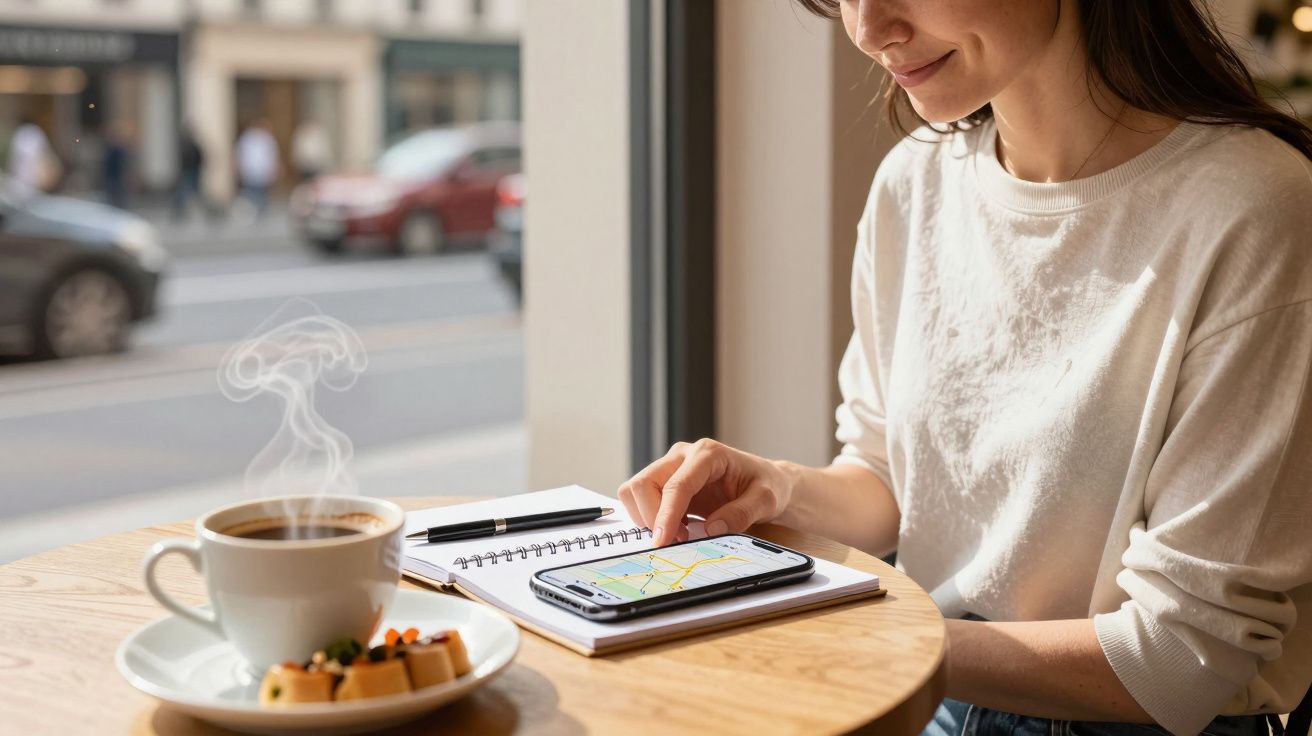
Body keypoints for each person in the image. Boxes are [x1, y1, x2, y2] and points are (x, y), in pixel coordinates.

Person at [618, 2, 1312, 735]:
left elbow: (1177, 659)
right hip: (933, 696)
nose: (867, 28)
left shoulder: (1257, 213)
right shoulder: (914, 183)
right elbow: (894, 480)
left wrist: (863, 637)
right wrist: (776, 488)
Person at [235, 118, 279, 219]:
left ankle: (262, 210)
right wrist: (239, 168)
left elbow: (272, 155)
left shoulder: (267, 138)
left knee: (262, 191)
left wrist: (273, 168)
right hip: (250, 169)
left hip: (262, 170)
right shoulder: (247, 138)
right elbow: (240, 154)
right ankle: (251, 211)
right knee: (251, 191)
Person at [7, 116, 59, 195]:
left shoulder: (19, 134)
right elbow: (44, 153)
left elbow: (14, 159)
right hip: (33, 179)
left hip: (23, 180)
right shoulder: (36, 132)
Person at [173, 125, 205, 221]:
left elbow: (200, 157)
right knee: (185, 191)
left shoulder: (192, 145)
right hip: (188, 171)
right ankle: (180, 210)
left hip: (193, 171)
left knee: (190, 191)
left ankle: (187, 209)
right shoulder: (186, 145)